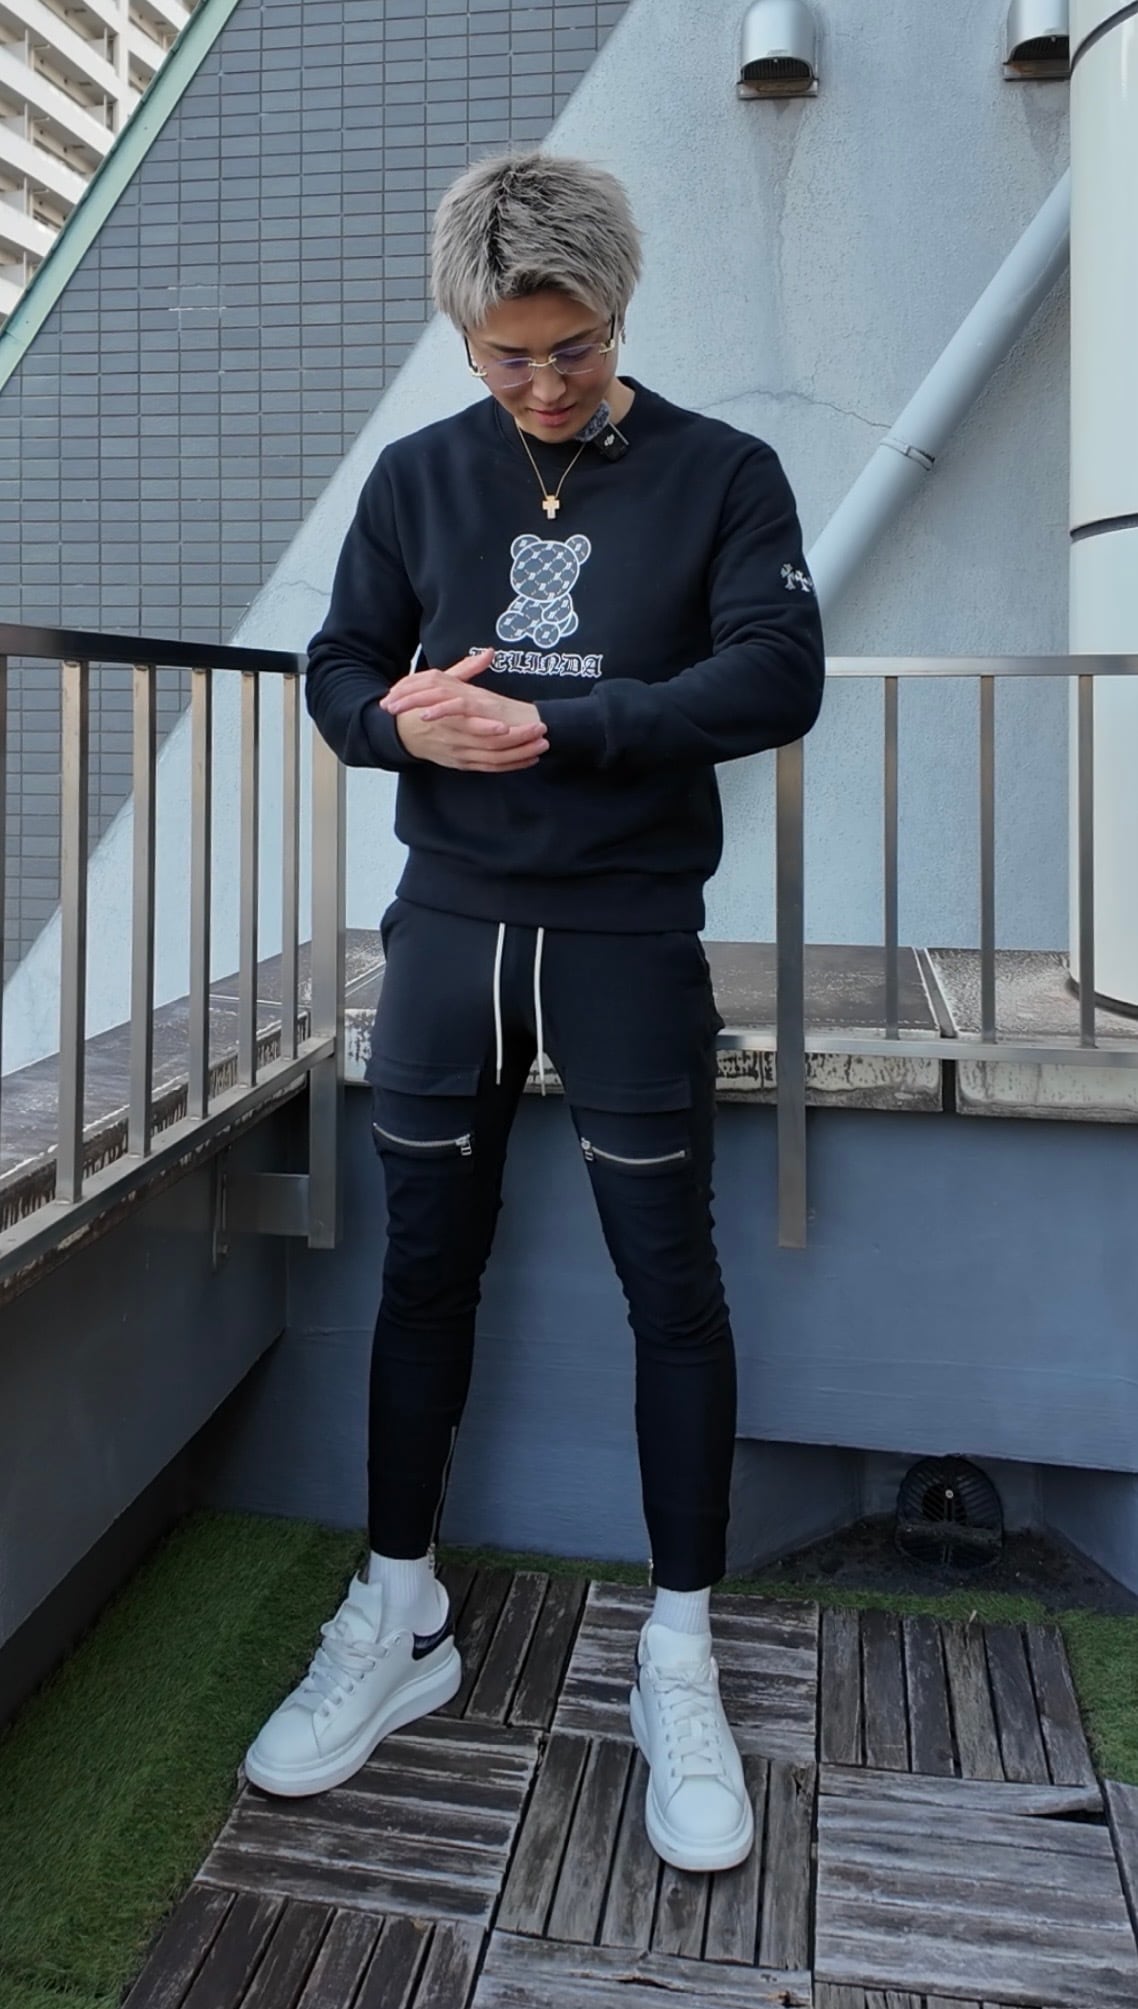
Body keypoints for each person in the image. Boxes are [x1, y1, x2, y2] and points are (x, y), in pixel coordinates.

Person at [244, 152, 824, 1874]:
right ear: (464, 337)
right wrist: (396, 727)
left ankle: (677, 1653)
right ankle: (399, 1614)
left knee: (670, 1286)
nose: (544, 385)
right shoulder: (419, 474)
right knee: (424, 1265)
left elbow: (776, 672)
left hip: (627, 930)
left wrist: (566, 726)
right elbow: (337, 668)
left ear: (617, 312)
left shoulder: (722, 472)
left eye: (572, 349)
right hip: (448, 927)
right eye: (507, 357)